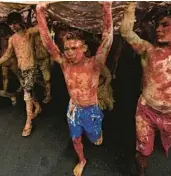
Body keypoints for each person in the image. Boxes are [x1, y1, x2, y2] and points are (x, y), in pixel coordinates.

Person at [36, 2, 113, 176]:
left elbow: (107, 40)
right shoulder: (65, 64)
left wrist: (107, 8)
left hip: (91, 109)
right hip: (73, 108)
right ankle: (82, 160)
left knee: (96, 139)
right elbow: (48, 43)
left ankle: (96, 133)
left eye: (74, 48)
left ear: (85, 48)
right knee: (75, 138)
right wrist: (39, 13)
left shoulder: (95, 64)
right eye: (66, 49)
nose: (69, 52)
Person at [120, 2, 171, 176]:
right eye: (158, 25)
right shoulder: (148, 51)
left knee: (166, 140)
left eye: (165, 24)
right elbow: (126, 32)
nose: (158, 29)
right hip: (147, 111)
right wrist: (130, 6)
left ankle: (157, 142)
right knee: (143, 150)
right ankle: (141, 170)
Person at [0, 12, 41, 137]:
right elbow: (8, 54)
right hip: (21, 69)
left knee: (27, 94)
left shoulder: (29, 32)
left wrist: (37, 10)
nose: (13, 26)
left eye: (15, 23)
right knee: (29, 91)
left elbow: (42, 26)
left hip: (31, 67)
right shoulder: (12, 39)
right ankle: (38, 107)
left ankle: (28, 122)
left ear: (20, 21)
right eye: (10, 24)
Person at [34, 33, 52, 104]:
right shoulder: (33, 37)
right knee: (35, 78)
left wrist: (51, 60)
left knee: (47, 79)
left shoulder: (46, 36)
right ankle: (46, 89)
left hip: (45, 59)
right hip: (37, 60)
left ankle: (48, 95)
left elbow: (50, 48)